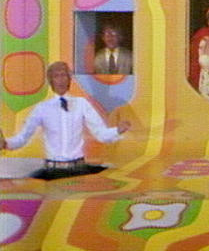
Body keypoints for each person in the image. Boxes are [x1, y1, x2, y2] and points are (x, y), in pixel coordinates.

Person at [0, 61, 130, 180]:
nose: (61, 80)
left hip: (78, 170)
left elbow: (100, 133)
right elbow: (23, 137)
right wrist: (6, 144)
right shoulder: (42, 108)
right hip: (53, 171)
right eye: (56, 76)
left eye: (63, 75)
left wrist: (117, 130)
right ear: (50, 80)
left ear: (69, 79)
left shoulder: (82, 104)